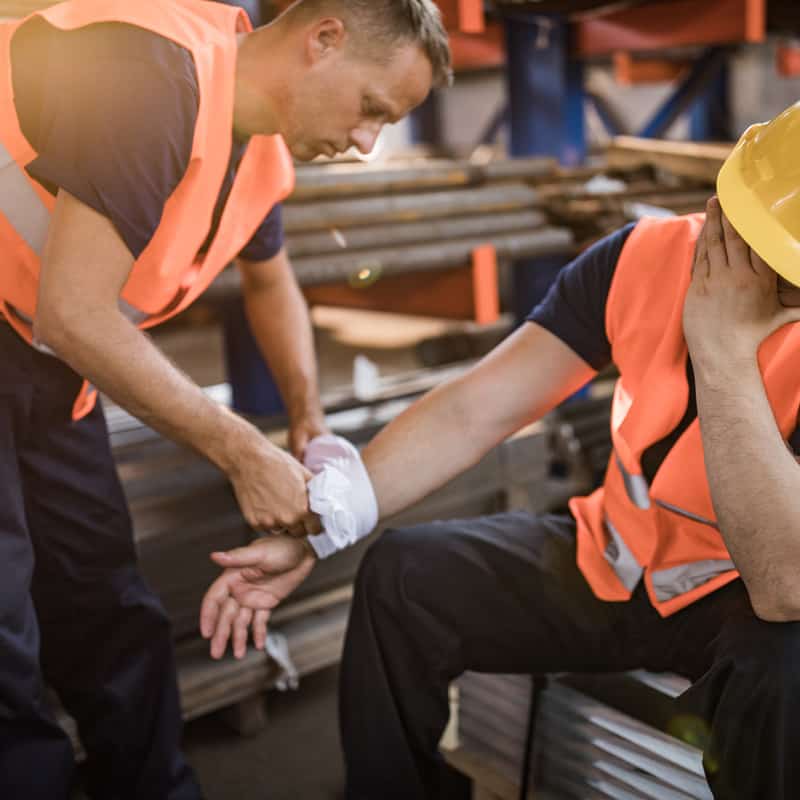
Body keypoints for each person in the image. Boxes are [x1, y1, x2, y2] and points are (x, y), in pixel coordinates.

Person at [201, 101, 800, 799]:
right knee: (402, 578)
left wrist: (724, 346)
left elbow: (786, 587)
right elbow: (472, 410)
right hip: (613, 564)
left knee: (787, 673)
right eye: (750, 241)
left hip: (739, 606)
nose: (765, 277)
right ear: (724, 202)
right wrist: (320, 527)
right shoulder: (645, 259)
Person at [0, 1, 451, 798]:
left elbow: (271, 286)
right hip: (42, 333)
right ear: (324, 40)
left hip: (45, 368)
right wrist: (244, 452)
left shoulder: (257, 150)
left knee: (104, 598)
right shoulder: (153, 73)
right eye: (372, 109)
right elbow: (73, 312)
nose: (365, 142)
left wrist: (309, 421)